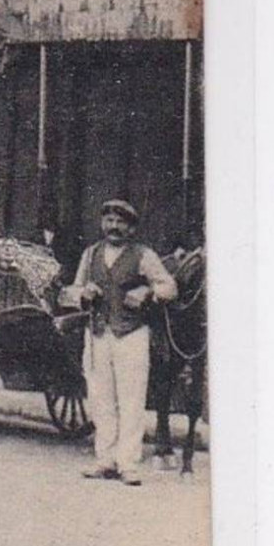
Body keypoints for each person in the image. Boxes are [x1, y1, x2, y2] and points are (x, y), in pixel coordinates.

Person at [71, 199, 177, 486]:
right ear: (102, 224)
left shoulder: (143, 255)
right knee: (100, 398)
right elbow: (71, 291)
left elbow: (169, 286)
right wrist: (84, 292)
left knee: (131, 399)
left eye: (121, 222)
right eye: (109, 221)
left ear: (131, 228)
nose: (114, 227)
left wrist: (147, 291)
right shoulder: (90, 254)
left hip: (131, 334)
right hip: (97, 333)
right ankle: (105, 460)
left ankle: (128, 463)